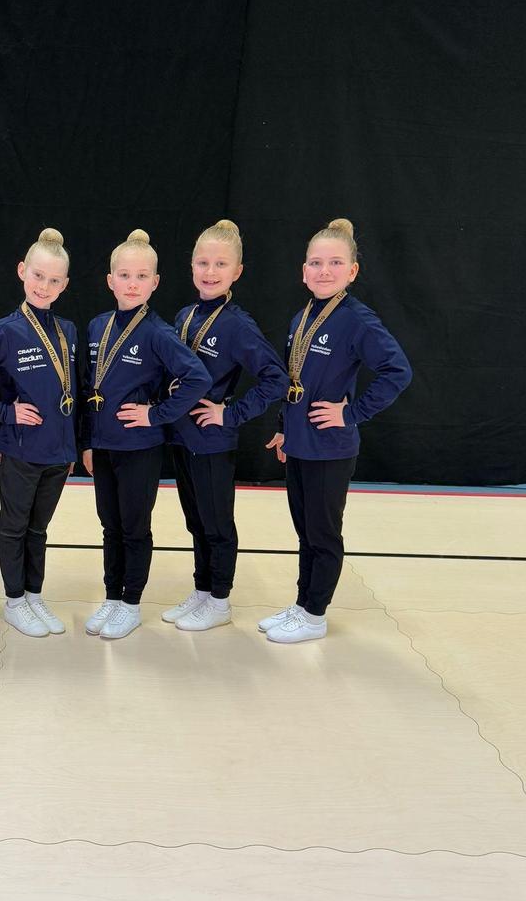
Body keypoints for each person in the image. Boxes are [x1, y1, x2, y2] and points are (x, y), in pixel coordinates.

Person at [263, 217, 412, 643]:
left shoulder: (357, 320)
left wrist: (351, 413)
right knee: (305, 532)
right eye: (315, 263)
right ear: (303, 270)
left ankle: (315, 615)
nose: (324, 271)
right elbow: (295, 379)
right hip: (300, 443)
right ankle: (301, 604)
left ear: (352, 271)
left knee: (323, 534)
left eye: (334, 263)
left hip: (330, 448)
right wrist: (284, 428)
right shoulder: (302, 316)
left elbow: (397, 371)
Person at [80, 228, 211, 641]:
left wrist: (157, 415)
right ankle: (112, 596)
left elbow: (197, 378)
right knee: (110, 526)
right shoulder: (97, 326)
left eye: (141, 276)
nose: (132, 283)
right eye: (124, 275)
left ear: (155, 282)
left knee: (134, 527)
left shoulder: (158, 332)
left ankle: (131, 603)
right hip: (103, 446)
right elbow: (88, 387)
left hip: (139, 447)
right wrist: (87, 441)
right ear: (110, 280)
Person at [0, 228, 79, 639]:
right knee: (14, 526)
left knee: (39, 529)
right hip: (22, 449)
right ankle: (14, 601)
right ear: (23, 271)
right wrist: (5, 413)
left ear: (64, 285)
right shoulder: (5, 331)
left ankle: (33, 594)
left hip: (58, 453)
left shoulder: (68, 331)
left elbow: (72, 392)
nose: (44, 286)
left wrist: (71, 446)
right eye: (38, 276)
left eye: (54, 280)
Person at [165, 219, 287, 631]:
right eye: (203, 263)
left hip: (213, 440)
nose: (210, 271)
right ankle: (202, 591)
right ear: (192, 266)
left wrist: (229, 413)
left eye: (221, 264)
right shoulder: (184, 316)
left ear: (237, 271)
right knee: (195, 520)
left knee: (217, 524)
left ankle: (219, 601)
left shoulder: (237, 324)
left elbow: (275, 378)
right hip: (182, 437)